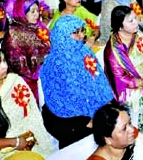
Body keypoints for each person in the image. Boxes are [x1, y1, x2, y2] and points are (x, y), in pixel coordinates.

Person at [39, 15, 115, 148]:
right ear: (62, 35)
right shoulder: (54, 63)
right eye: (75, 33)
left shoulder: (84, 51)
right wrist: (87, 119)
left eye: (82, 31)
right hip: (68, 115)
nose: (81, 36)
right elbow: (62, 98)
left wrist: (105, 106)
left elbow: (100, 80)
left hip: (93, 106)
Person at [2, 0, 51, 101]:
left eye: (38, 11)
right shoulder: (13, 34)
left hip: (46, 74)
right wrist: (43, 60)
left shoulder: (39, 27)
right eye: (32, 11)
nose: (36, 15)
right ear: (22, 12)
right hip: (26, 81)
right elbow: (18, 65)